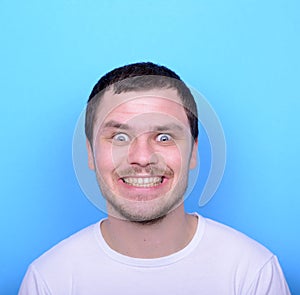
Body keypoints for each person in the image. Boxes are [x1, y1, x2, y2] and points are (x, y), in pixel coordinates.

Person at [19, 62, 290, 294]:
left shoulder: (253, 273)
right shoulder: (49, 281)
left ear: (193, 152)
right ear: (90, 153)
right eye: (120, 137)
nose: (142, 157)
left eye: (164, 137)